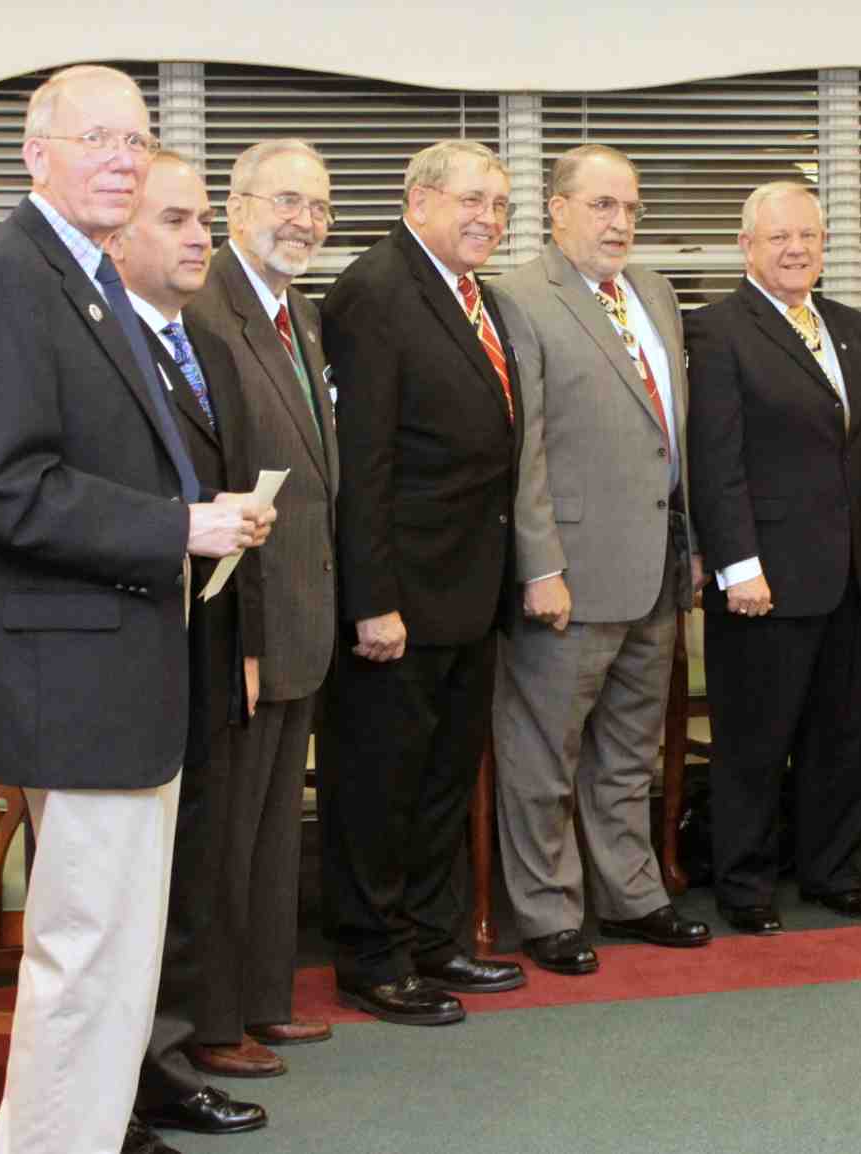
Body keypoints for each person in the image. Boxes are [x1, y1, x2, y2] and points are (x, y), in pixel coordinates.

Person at [0, 65, 270, 1154]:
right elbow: (1, 485)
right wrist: (179, 528)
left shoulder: (89, 276)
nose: (123, 156)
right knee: (84, 947)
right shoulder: (7, 278)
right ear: (37, 154)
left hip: (118, 663)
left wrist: (201, 510)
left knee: (118, 946)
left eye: (137, 138)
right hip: (68, 669)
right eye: (98, 138)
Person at [318, 140, 527, 1024]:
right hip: (398, 599)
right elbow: (360, 465)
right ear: (418, 200)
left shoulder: (475, 294)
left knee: (444, 779)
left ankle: (434, 939)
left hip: (470, 591)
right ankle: (371, 955)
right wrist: (373, 600)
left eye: (501, 204)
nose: (488, 217)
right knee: (378, 783)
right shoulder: (374, 291)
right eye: (472, 199)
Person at [492, 143, 709, 975]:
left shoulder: (652, 292)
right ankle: (547, 910)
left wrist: (688, 546)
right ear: (556, 208)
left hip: (655, 565)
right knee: (544, 752)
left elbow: (669, 437)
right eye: (601, 206)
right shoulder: (519, 298)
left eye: (629, 208)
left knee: (628, 748)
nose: (619, 222)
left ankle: (630, 894)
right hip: (569, 574)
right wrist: (538, 564)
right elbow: (526, 448)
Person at [686, 181, 861, 935]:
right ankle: (744, 884)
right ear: (746, 246)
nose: (795, 249)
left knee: (841, 736)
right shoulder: (716, 330)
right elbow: (714, 460)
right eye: (778, 236)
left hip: (847, 573)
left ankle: (832, 870)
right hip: (764, 577)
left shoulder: (850, 326)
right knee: (753, 738)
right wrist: (736, 565)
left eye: (807, 235)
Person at [110, 152, 273, 1147]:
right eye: (174, 218)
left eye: (203, 217)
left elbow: (214, 500)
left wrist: (244, 636)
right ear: (116, 237)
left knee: (180, 876)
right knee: (121, 894)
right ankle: (116, 1091)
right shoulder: (101, 348)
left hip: (202, 644)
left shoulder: (191, 339)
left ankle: (160, 1068)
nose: (197, 235)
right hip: (121, 656)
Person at [182, 138, 338, 1071]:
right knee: (225, 836)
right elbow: (212, 475)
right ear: (237, 207)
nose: (304, 221)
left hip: (301, 620)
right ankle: (209, 1022)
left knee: (277, 830)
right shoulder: (206, 311)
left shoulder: (300, 314)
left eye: (318, 206)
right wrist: (237, 630)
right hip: (238, 621)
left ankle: (263, 999)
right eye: (286, 201)